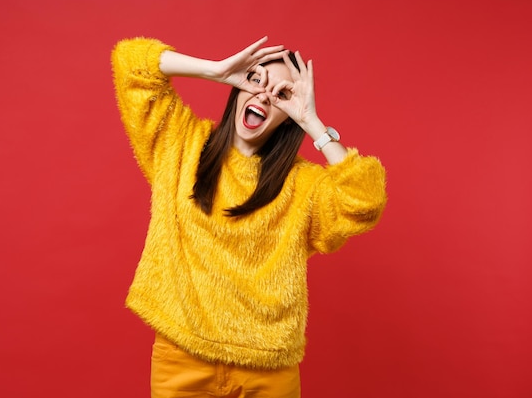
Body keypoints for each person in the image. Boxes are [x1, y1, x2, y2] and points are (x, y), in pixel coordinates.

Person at [111, 36, 387, 398]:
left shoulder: (303, 185)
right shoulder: (181, 143)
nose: (263, 96)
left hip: (268, 370)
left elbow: (365, 199)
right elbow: (131, 61)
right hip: (182, 357)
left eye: (281, 94)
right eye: (256, 80)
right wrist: (216, 70)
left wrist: (311, 121)